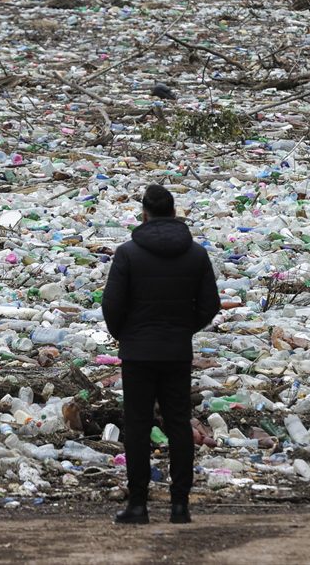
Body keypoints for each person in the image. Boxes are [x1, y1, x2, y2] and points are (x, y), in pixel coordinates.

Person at [102, 184, 220, 525]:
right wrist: (184, 330)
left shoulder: (127, 253)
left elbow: (112, 304)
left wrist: (126, 335)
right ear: (173, 212)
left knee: (138, 426)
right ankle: (179, 506)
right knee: (179, 424)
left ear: (144, 214)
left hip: (138, 354)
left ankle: (138, 505)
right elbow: (209, 305)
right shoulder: (196, 254)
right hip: (176, 352)